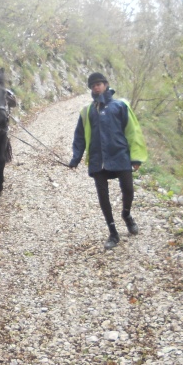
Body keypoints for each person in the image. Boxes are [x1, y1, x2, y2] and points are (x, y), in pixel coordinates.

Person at [68, 72, 148, 249]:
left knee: (128, 189)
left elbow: (133, 132)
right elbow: (79, 137)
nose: (96, 87)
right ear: (91, 89)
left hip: (120, 155)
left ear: (105, 85)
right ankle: (112, 232)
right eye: (93, 85)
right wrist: (76, 158)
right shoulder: (87, 111)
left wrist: (135, 157)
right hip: (98, 159)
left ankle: (126, 215)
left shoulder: (121, 105)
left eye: (99, 84)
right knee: (103, 196)